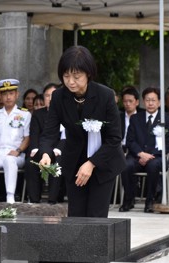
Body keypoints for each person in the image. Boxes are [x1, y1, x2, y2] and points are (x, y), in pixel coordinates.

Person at [38, 45, 126, 218]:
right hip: (75, 162)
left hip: (103, 162)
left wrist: (92, 163)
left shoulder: (105, 95)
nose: (71, 81)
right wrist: (46, 153)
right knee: (76, 216)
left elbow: (115, 138)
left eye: (76, 76)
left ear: (88, 74)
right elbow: (49, 132)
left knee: (96, 216)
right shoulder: (58, 96)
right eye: (66, 76)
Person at [123, 87, 169, 213]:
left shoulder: (166, 119)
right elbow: (130, 141)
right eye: (147, 100)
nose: (150, 103)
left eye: (153, 100)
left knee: (153, 165)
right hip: (137, 156)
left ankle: (150, 201)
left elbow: (168, 143)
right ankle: (128, 199)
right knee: (125, 165)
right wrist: (140, 154)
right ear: (143, 102)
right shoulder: (135, 118)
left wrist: (150, 155)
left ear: (159, 102)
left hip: (156, 157)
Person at [25, 83, 66, 204]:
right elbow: (34, 136)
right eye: (47, 95)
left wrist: (57, 150)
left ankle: (53, 200)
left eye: (53, 95)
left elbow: (66, 137)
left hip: (60, 150)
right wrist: (38, 151)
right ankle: (34, 200)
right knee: (30, 163)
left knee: (58, 162)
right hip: (40, 149)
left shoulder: (65, 113)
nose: (50, 98)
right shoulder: (38, 114)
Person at [119, 85, 142, 212]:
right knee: (125, 165)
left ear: (137, 102)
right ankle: (126, 197)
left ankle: (130, 198)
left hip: (137, 149)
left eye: (130, 101)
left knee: (129, 164)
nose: (127, 104)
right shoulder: (118, 116)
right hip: (120, 148)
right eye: (125, 101)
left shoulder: (143, 116)